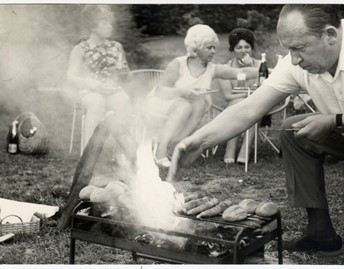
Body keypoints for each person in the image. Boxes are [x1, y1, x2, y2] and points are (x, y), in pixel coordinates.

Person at [168, 5, 344, 254]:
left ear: (330, 35)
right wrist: (197, 141)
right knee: (292, 131)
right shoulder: (294, 64)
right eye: (288, 49)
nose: (293, 60)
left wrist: (334, 120)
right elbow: (248, 109)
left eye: (299, 48)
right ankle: (320, 234)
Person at [143, 24, 258, 168]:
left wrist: (268, 70)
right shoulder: (178, 64)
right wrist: (183, 92)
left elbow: (240, 73)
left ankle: (175, 145)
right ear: (196, 48)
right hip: (161, 104)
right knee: (184, 105)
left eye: (214, 47)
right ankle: (161, 150)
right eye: (209, 48)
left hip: (187, 108)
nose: (213, 51)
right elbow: (160, 91)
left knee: (201, 103)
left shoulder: (211, 68)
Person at [66, 5, 133, 150]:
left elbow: (127, 77)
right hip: (89, 91)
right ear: (92, 26)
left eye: (110, 23)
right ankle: (87, 155)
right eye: (104, 23)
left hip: (112, 90)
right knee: (97, 103)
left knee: (123, 100)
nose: (109, 26)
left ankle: (126, 155)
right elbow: (70, 78)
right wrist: (91, 83)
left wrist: (125, 74)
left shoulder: (117, 46)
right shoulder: (80, 49)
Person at [217, 28, 262, 164]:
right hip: (234, 105)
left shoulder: (261, 66)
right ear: (233, 49)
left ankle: (244, 149)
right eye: (239, 47)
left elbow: (264, 91)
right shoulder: (225, 68)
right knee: (239, 104)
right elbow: (228, 96)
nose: (243, 51)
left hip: (258, 105)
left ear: (252, 48)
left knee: (254, 106)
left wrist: (251, 70)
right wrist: (246, 95)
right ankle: (232, 148)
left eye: (247, 47)